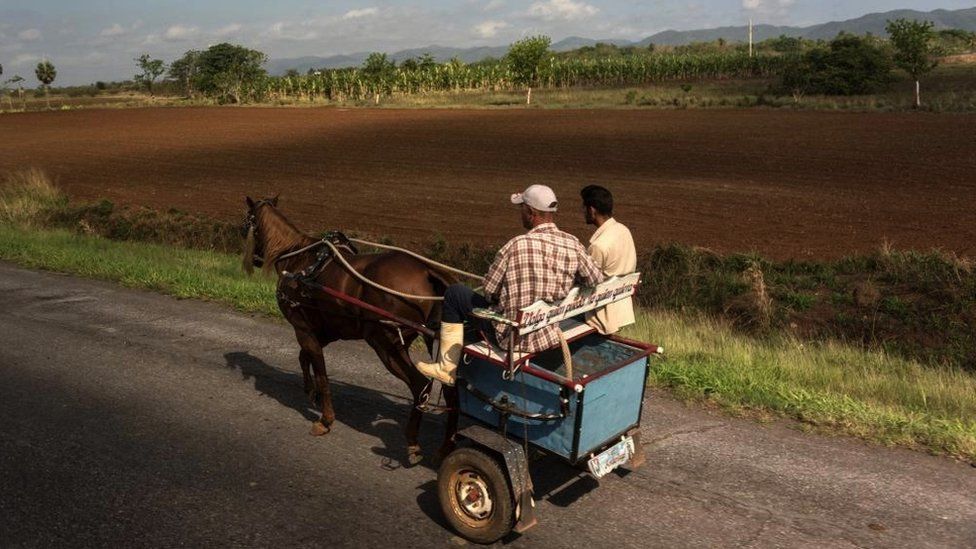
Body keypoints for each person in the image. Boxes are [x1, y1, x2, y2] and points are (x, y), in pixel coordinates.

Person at [416, 184, 605, 386]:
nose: (520, 214)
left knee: (455, 293)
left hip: (512, 337)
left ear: (531, 213)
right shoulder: (572, 243)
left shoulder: (514, 246)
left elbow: (489, 291)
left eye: (521, 209)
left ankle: (447, 368)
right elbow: (596, 279)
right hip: (549, 333)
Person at [580, 185, 637, 334]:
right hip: (623, 308)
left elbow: (588, 283)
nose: (582, 212)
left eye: (584, 208)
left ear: (592, 210)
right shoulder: (624, 230)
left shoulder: (599, 246)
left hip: (603, 315)